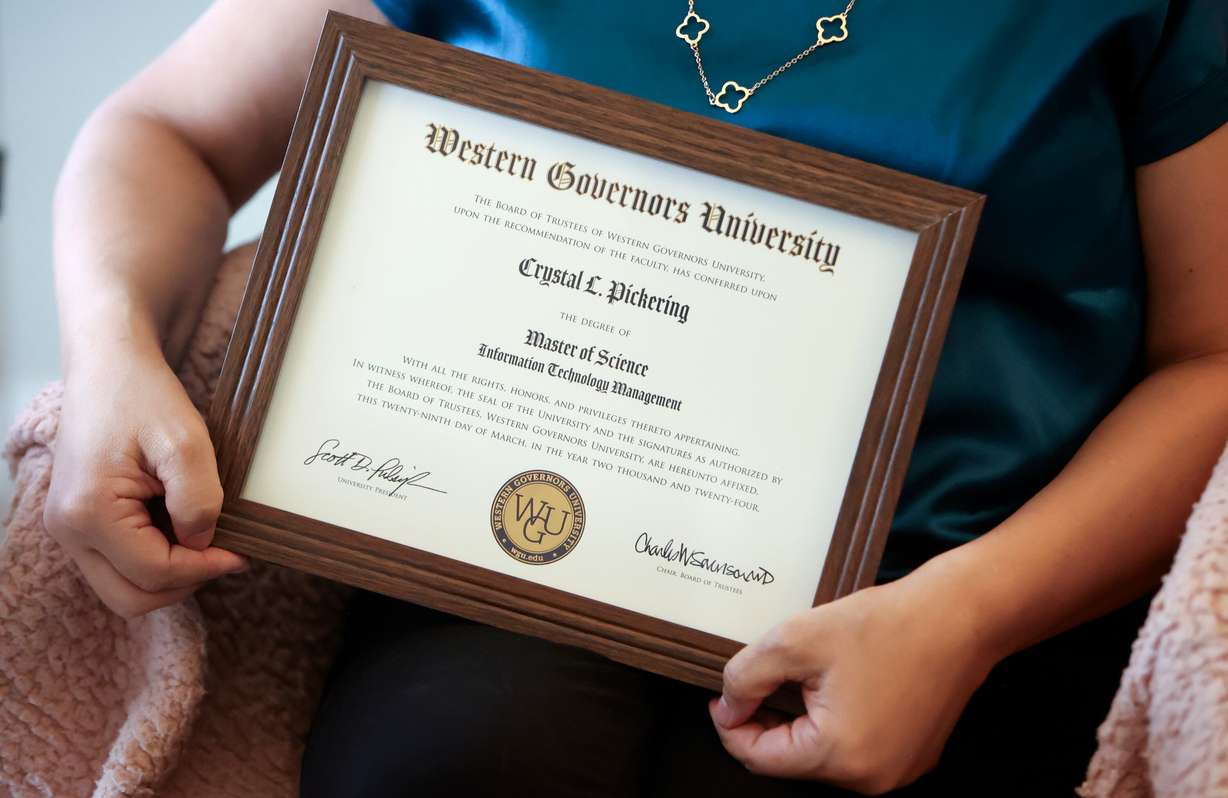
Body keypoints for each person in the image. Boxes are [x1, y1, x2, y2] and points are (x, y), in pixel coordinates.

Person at [42, 0, 1228, 795]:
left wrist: (966, 619)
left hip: (959, 593)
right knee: (448, 758)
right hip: (507, 545)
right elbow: (169, 131)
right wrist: (111, 354)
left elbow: (1210, 356)